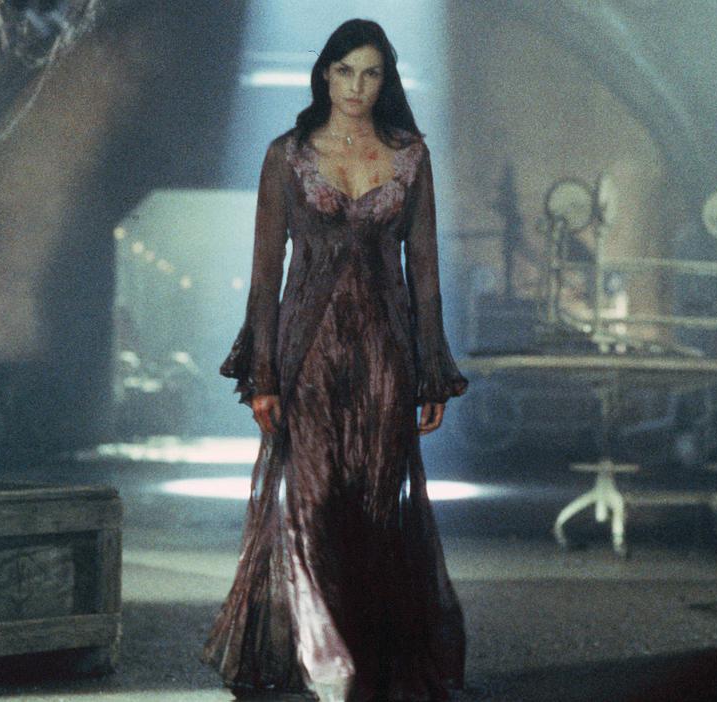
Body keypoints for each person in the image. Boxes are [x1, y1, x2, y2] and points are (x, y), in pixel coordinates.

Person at [202, 18, 469, 702]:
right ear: (325, 73)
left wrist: (431, 371)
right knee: (314, 505)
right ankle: (326, 662)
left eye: (371, 73)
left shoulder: (411, 156)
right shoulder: (287, 155)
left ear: (386, 80)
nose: (356, 86)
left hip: (385, 351)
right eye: (346, 71)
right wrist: (263, 375)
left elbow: (426, 272)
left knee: (376, 508)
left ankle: (369, 662)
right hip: (309, 352)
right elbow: (266, 272)